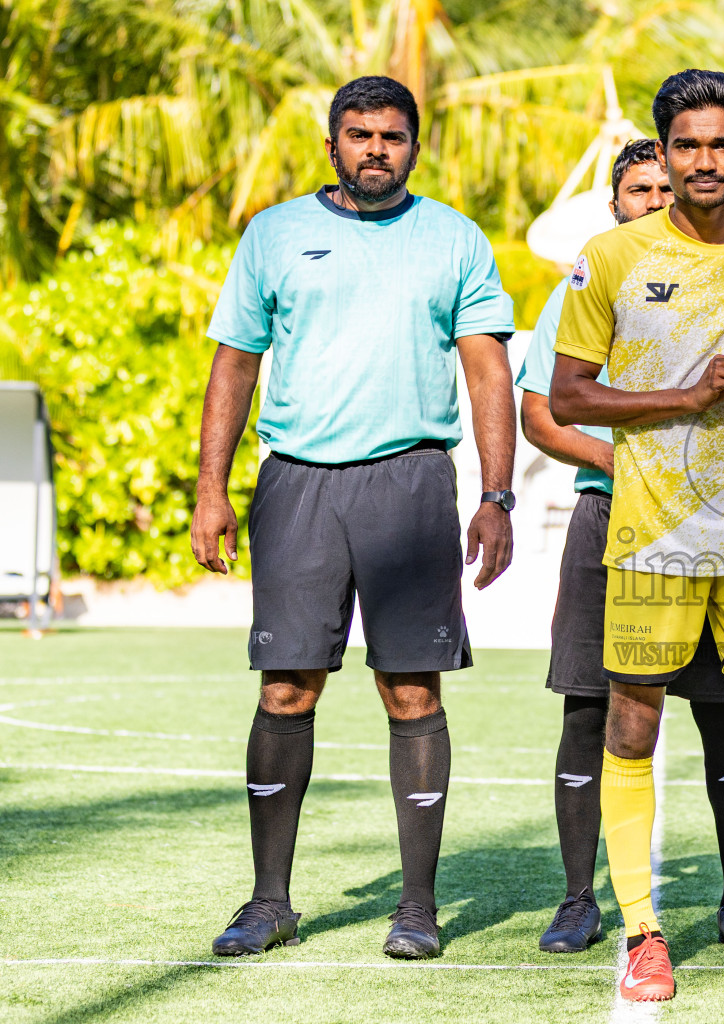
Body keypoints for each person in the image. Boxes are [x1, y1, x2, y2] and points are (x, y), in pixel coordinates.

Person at [191, 76, 516, 961]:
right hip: (297, 485)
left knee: (411, 689)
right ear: (332, 141)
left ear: (416, 145)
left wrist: (496, 494)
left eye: (394, 136)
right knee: (285, 688)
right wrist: (210, 488)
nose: (377, 148)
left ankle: (416, 908)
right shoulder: (276, 234)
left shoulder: (454, 238)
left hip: (411, 484)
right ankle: (269, 902)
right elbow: (234, 363)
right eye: (360, 133)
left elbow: (488, 370)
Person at [549, 69, 724, 1005]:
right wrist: (689, 392)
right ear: (663, 154)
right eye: (687, 145)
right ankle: (641, 934)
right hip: (650, 535)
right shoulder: (612, 255)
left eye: (721, 144)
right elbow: (569, 397)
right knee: (632, 727)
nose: (704, 161)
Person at [516, 138, 724, 957]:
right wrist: (625, 462)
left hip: (716, 527)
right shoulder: (589, 281)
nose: (656, 201)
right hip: (608, 518)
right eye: (639, 190)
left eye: (667, 187)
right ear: (616, 203)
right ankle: (579, 899)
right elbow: (543, 414)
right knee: (588, 710)